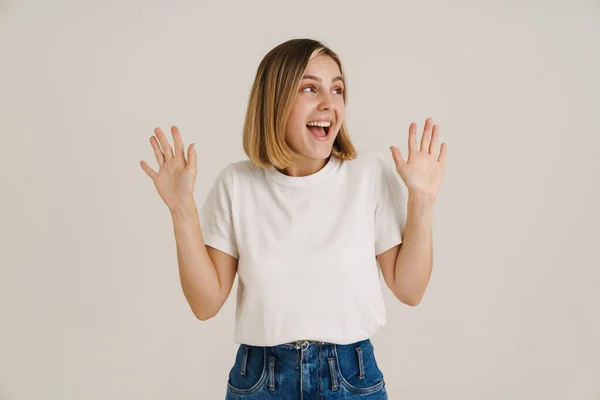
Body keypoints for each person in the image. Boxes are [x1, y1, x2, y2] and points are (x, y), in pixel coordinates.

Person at [140, 38, 447, 399]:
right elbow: (205, 304)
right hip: (260, 379)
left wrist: (422, 199)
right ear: (275, 99)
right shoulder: (237, 183)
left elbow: (410, 290)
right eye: (309, 88)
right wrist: (181, 209)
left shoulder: (368, 175)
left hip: (350, 379)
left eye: (337, 89)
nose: (328, 103)